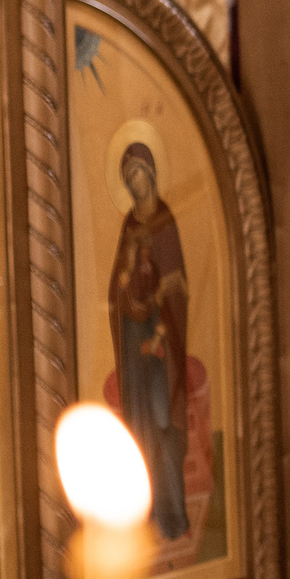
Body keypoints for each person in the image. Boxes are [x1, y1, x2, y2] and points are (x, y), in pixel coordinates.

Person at [109, 142, 192, 541]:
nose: (133, 182)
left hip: (160, 340)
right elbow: (116, 288)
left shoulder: (164, 221)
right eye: (128, 178)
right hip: (133, 336)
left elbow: (176, 287)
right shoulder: (129, 224)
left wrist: (160, 333)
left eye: (137, 173)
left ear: (151, 173)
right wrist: (124, 279)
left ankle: (172, 515)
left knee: (162, 421)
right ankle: (143, 511)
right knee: (139, 424)